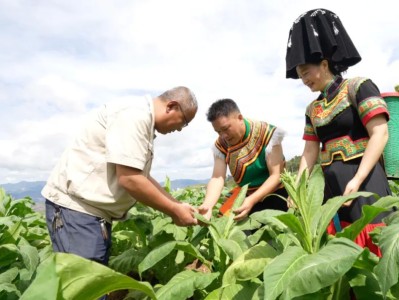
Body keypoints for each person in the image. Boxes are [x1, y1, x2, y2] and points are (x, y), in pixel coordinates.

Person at [42, 86, 199, 267]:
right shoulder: (134, 115)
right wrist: (174, 210)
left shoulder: (142, 119)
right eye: (184, 122)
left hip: (91, 216)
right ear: (171, 106)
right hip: (77, 213)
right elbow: (130, 179)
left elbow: (141, 176)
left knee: (93, 284)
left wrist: (178, 205)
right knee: (84, 288)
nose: (180, 129)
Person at [285, 8, 392, 256]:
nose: (304, 80)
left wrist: (357, 180)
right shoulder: (312, 109)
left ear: (324, 64)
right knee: (342, 253)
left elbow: (380, 134)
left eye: (306, 73)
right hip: (332, 190)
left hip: (365, 182)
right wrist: (297, 190)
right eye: (300, 76)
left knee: (373, 245)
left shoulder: (359, 87)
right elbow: (310, 151)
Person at [198, 99, 288, 224]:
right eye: (218, 132)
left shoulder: (267, 133)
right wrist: (207, 206)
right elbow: (217, 177)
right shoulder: (221, 144)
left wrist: (252, 200)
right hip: (245, 196)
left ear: (239, 118)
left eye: (225, 129)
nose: (223, 135)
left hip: (274, 194)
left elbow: (276, 176)